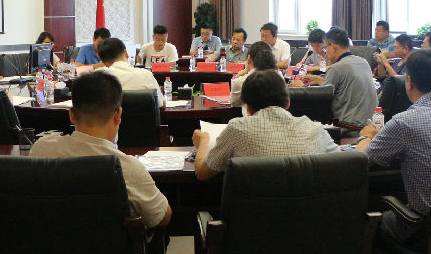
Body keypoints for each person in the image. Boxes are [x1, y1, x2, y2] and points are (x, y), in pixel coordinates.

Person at [356, 50, 431, 242]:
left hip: (422, 228)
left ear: (409, 81)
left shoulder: (404, 122)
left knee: (362, 222)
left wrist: (366, 136)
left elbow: (360, 160)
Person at [29, 71, 171, 227]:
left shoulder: (41, 150)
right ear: (118, 115)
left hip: (49, 241)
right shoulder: (127, 167)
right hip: (111, 243)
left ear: (71, 115)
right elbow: (161, 218)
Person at [191, 69, 339, 181]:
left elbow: (202, 173)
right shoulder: (315, 129)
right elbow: (344, 163)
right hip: (307, 213)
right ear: (288, 102)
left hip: (255, 214)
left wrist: (203, 142)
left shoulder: (237, 129)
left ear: (247, 107)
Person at [296, 27, 378, 128]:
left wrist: (301, 88)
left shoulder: (336, 68)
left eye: (325, 48)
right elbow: (343, 88)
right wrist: (320, 80)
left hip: (349, 127)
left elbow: (322, 101)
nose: (325, 53)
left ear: (333, 47)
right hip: (371, 125)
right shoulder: (363, 62)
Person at [97, 37, 163, 104]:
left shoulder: (99, 78)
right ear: (126, 54)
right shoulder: (146, 75)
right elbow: (161, 104)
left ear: (103, 62)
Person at [229, 41, 278, 113]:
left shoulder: (241, 81)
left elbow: (234, 103)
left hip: (252, 118)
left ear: (249, 58)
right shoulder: (279, 77)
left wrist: (237, 76)